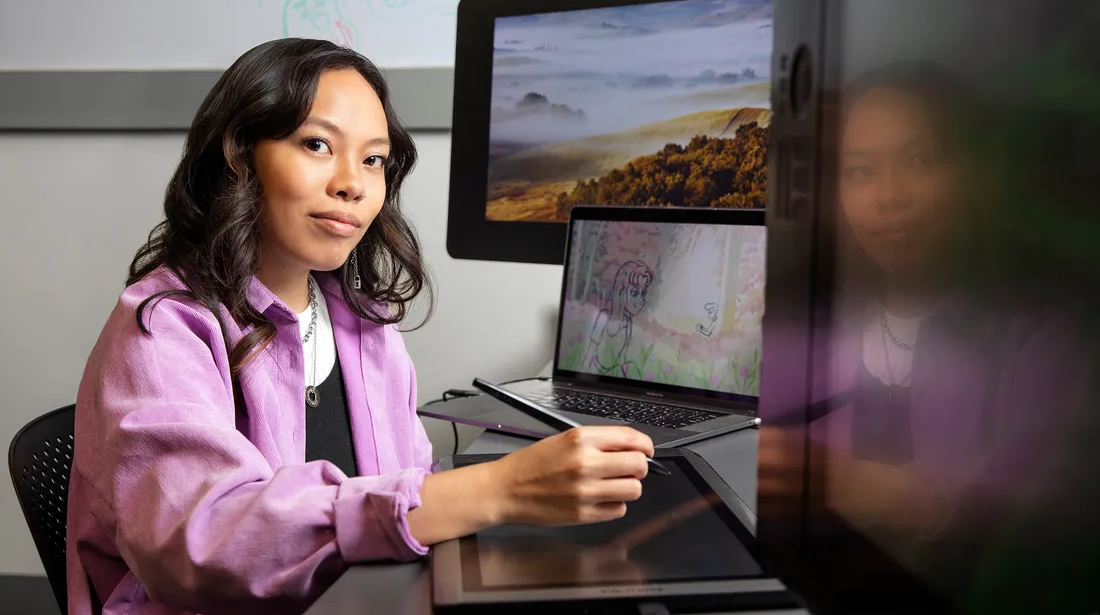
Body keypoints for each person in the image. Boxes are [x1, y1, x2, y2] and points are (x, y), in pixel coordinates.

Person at [66, 38, 656, 615]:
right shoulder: (163, 327)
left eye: (373, 159)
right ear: (238, 157)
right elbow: (201, 541)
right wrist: (499, 489)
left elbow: (410, 485)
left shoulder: (363, 324)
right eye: (318, 144)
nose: (353, 182)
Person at [761, 61, 1095, 602]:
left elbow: (1053, 525)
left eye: (920, 159)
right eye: (860, 171)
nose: (889, 197)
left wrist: (877, 490)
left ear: (974, 171)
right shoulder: (808, 332)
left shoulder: (1044, 339)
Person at [581, 260, 653, 376]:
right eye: (634, 293)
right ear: (620, 292)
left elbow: (622, 361)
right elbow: (590, 352)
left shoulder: (628, 323)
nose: (641, 299)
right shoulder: (603, 319)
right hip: (594, 376)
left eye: (643, 293)